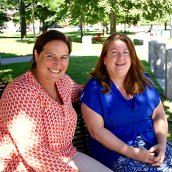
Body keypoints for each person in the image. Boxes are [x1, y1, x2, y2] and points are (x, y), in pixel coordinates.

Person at [0, 30, 113, 172]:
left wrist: (102, 79)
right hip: (24, 165)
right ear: (36, 54)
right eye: (50, 56)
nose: (57, 64)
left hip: (66, 155)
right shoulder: (21, 91)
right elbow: (33, 151)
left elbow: (79, 92)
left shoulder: (63, 81)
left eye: (63, 57)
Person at [80, 33, 172, 171]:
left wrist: (162, 144)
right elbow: (96, 131)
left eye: (125, 52)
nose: (120, 57)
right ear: (105, 59)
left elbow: (159, 115)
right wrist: (133, 153)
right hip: (116, 154)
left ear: (131, 57)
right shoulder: (94, 89)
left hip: (153, 146)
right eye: (114, 52)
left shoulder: (144, 81)